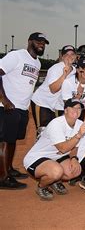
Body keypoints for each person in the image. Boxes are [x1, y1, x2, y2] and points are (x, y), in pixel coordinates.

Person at [0, 32, 44, 189]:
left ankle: (9, 169)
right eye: (38, 41)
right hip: (7, 106)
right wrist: (3, 99)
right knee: (4, 141)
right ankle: (2, 177)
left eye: (44, 43)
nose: (41, 45)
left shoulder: (37, 63)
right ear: (30, 41)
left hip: (21, 107)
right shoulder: (17, 56)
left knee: (12, 140)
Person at [23, 99, 85, 200]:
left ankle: (55, 181)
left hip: (57, 157)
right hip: (37, 158)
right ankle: (42, 187)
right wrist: (78, 135)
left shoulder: (80, 124)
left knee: (75, 171)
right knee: (56, 171)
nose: (76, 110)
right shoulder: (56, 123)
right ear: (65, 110)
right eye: (73, 108)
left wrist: (74, 159)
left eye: (79, 108)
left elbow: (75, 147)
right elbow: (63, 148)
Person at [31, 45, 76, 133]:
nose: (70, 57)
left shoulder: (74, 70)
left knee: (53, 133)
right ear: (62, 57)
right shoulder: (56, 68)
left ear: (75, 56)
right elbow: (53, 89)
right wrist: (64, 74)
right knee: (42, 132)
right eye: (67, 55)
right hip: (42, 102)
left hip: (53, 106)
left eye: (72, 54)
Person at [61, 59, 85, 124]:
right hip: (69, 110)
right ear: (77, 70)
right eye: (83, 68)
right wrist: (78, 96)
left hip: (84, 110)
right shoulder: (68, 82)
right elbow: (68, 106)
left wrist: (84, 123)